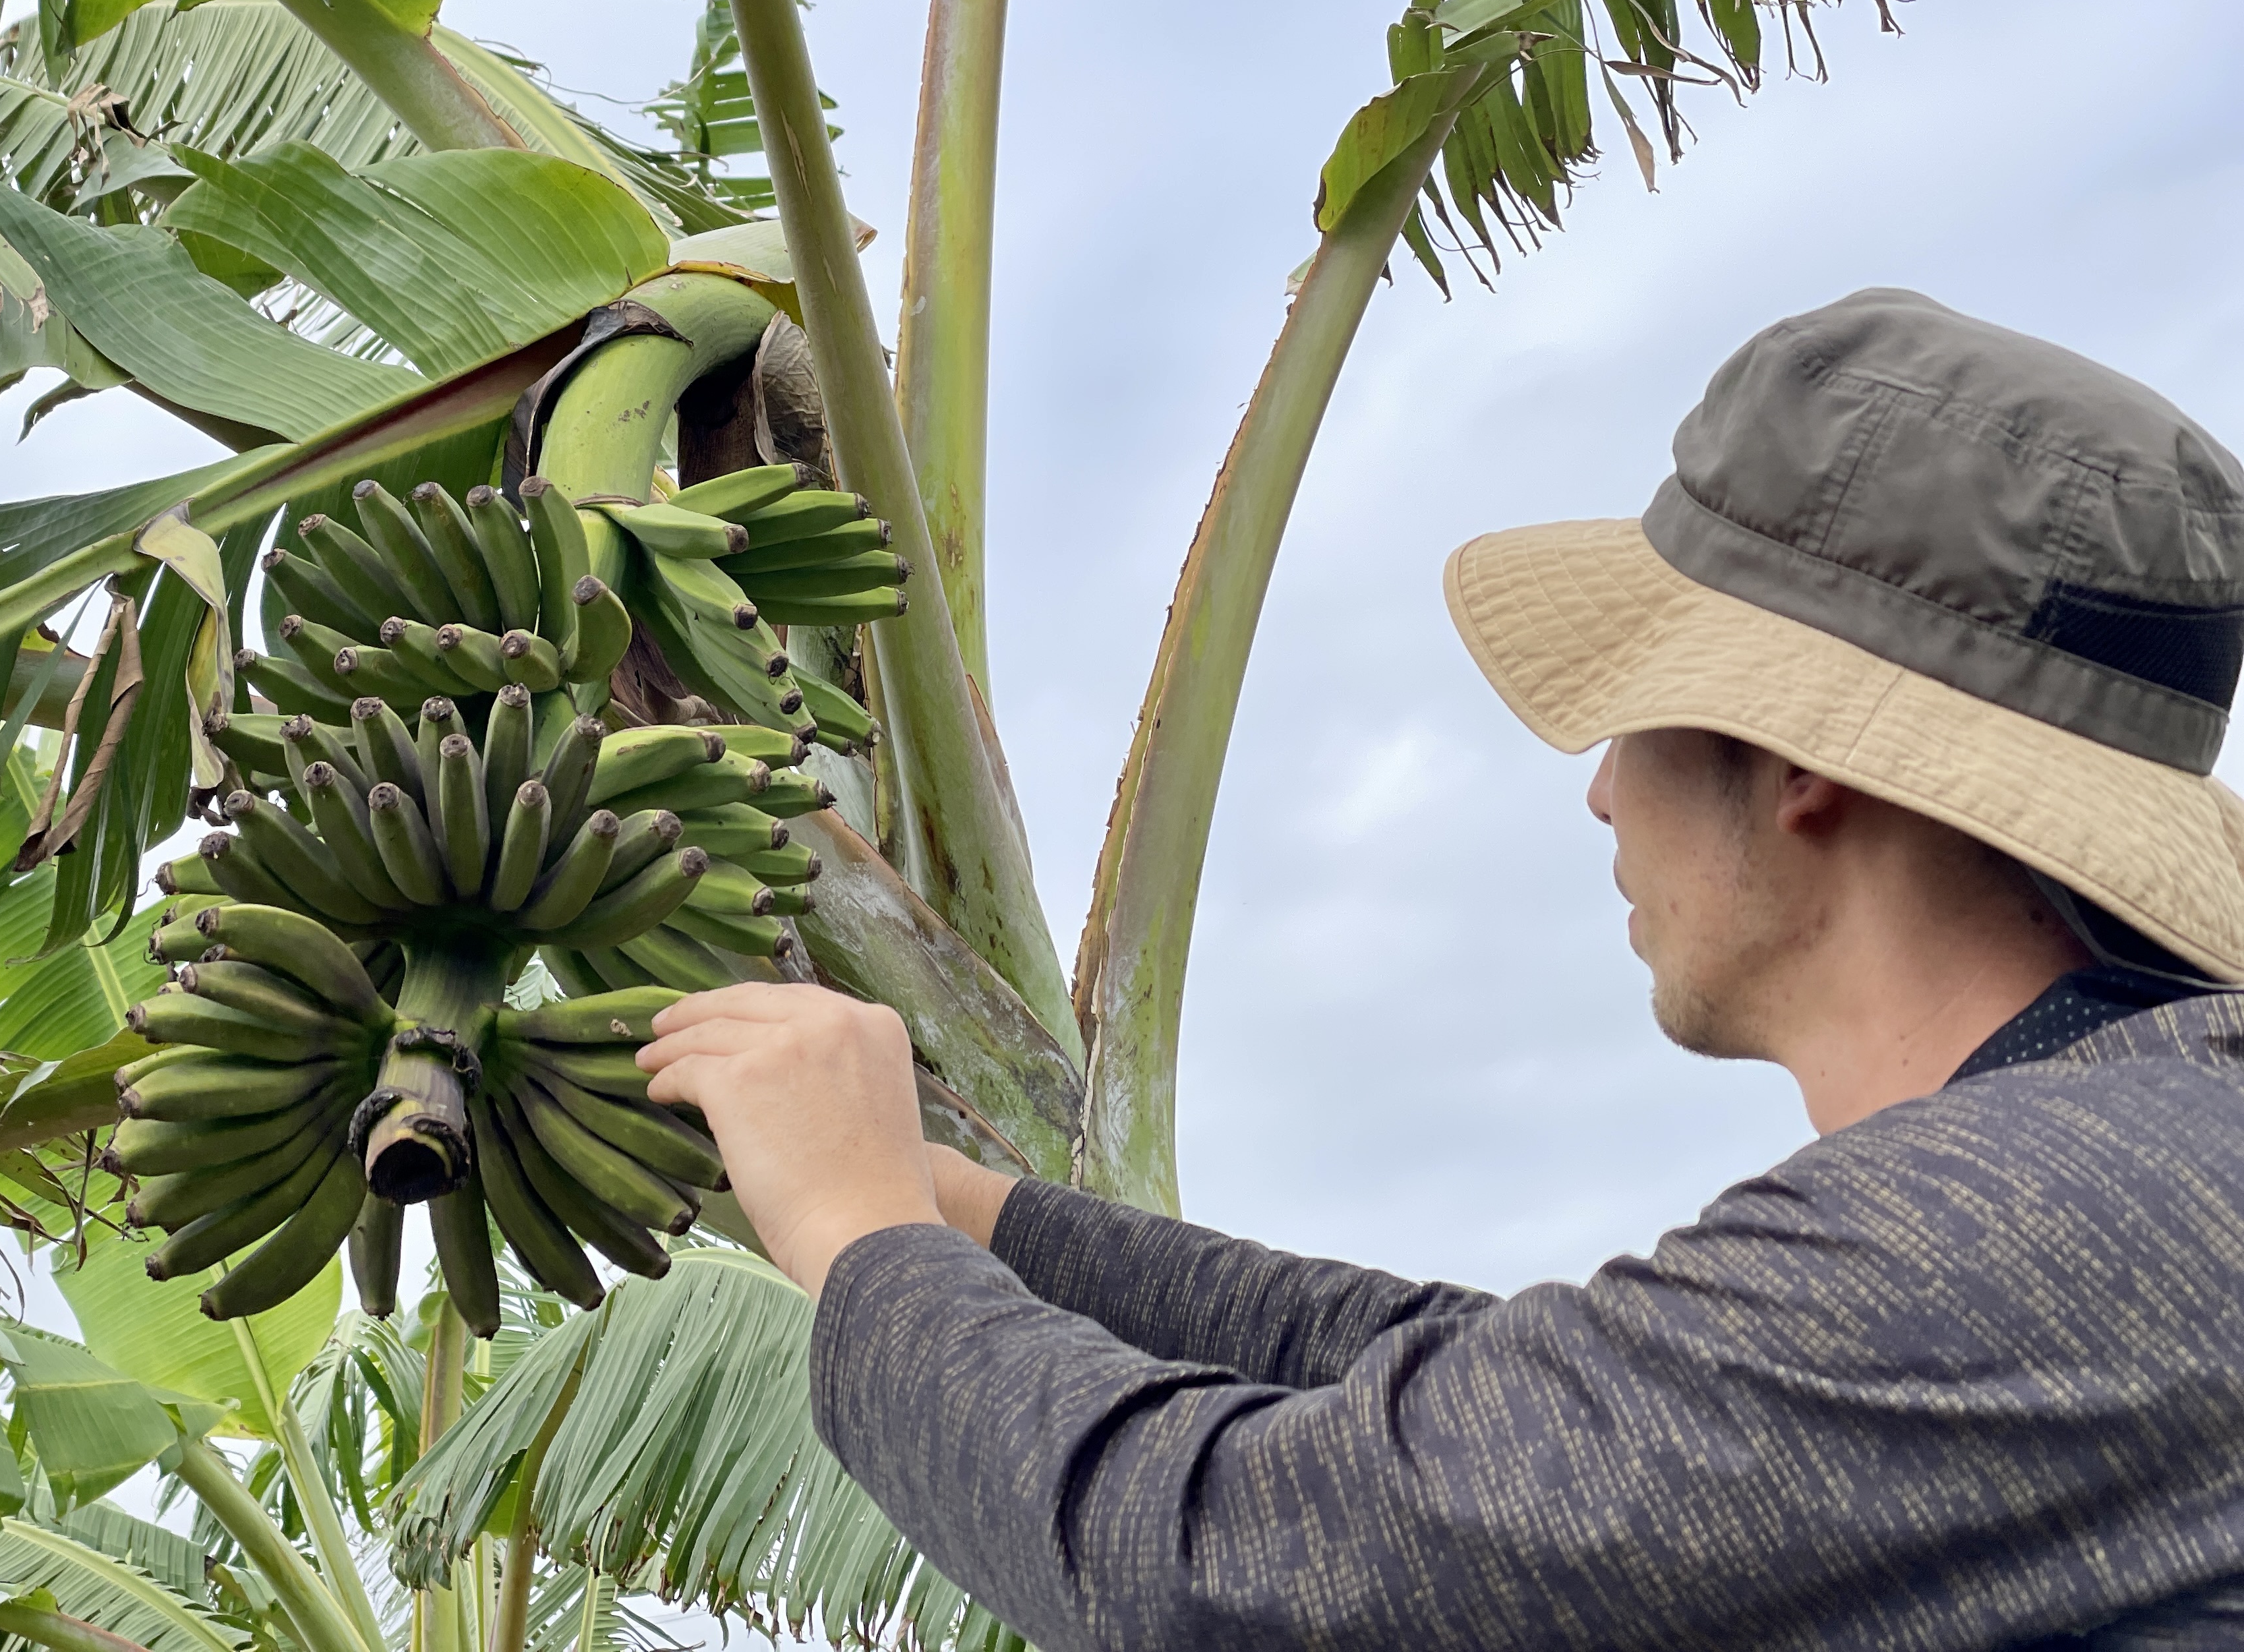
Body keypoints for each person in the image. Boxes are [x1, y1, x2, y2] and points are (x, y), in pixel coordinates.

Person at [639, 291, 2244, 1649]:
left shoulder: (2017, 1230)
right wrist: (958, 1204)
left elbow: (1235, 1569)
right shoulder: (2130, 1164)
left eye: (1633, 715)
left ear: (1798, 758)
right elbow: (1485, 1385)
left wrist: (858, 1239)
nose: (1604, 787)